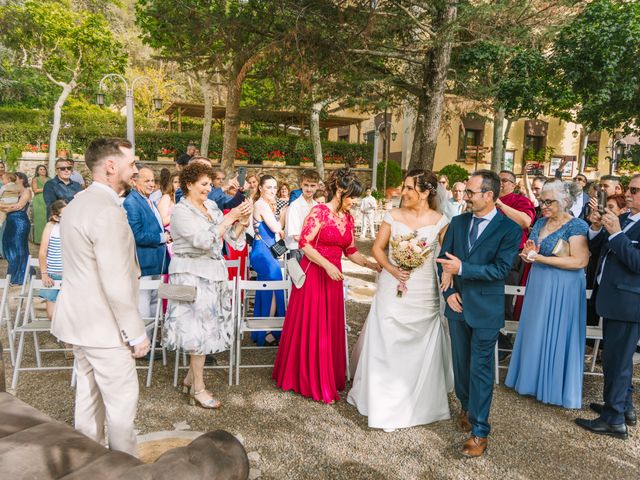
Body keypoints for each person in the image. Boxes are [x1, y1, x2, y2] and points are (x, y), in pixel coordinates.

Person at [51, 137, 150, 456]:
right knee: (121, 410)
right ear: (111, 166)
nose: (134, 170)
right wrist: (135, 332)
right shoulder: (107, 210)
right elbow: (116, 280)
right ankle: (124, 470)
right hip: (105, 329)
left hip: (79, 323)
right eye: (131, 164)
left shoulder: (77, 203)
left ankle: (87, 464)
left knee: (88, 403)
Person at [348, 169, 453, 432]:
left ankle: (418, 401)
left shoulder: (441, 221)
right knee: (387, 334)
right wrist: (392, 269)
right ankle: (382, 401)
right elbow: (376, 248)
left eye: (408, 188)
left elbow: (447, 254)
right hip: (391, 284)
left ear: (426, 192)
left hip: (423, 288)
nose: (402, 192)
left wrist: (449, 275)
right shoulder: (392, 215)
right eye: (403, 187)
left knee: (422, 338)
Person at [273, 168, 380, 404]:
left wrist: (372, 265)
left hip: (333, 278)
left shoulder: (348, 218)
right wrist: (327, 266)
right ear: (340, 191)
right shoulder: (319, 212)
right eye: (351, 196)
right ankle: (309, 379)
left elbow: (350, 251)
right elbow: (305, 243)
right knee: (313, 326)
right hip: (314, 275)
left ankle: (328, 376)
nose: (354, 201)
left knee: (329, 327)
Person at [436, 170, 521, 457]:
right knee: (461, 364)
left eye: (471, 192)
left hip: (486, 309)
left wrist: (463, 269)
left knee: (482, 369)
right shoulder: (458, 223)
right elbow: (442, 262)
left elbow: (500, 270)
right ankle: (467, 405)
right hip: (457, 306)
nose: (466, 197)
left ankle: (480, 431)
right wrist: (449, 293)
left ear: (489, 195)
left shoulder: (509, 230)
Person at [163, 162, 251, 409]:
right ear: (189, 184)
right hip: (190, 276)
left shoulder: (211, 206)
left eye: (210, 185)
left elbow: (229, 237)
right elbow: (203, 240)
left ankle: (190, 379)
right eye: (203, 184)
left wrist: (242, 220)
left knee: (206, 329)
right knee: (197, 333)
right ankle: (198, 388)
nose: (208, 189)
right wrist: (230, 217)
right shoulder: (181, 212)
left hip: (212, 275)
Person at [505, 181, 589, 408]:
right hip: (539, 282)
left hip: (565, 286)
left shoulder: (577, 225)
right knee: (536, 328)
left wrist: (539, 259)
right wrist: (527, 253)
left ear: (565, 201)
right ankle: (531, 381)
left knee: (558, 331)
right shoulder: (540, 222)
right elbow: (531, 250)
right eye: (541, 200)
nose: (543, 205)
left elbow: (580, 260)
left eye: (548, 201)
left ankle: (552, 387)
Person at [575, 174, 640, 439]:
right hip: (611, 299)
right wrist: (595, 227)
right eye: (629, 189)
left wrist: (615, 233)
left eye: (635, 190)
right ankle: (620, 407)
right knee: (614, 360)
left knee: (619, 362)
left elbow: (636, 263)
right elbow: (597, 246)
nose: (628, 194)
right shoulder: (625, 219)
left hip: (629, 302)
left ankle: (614, 420)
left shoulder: (623, 225)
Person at [123, 166, 170, 321]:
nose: (152, 184)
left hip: (157, 260)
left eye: (153, 180)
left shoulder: (150, 201)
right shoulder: (131, 202)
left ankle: (152, 337)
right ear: (135, 182)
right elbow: (137, 235)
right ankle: (144, 339)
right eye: (147, 181)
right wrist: (163, 237)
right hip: (144, 262)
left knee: (156, 300)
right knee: (143, 301)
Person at [250, 175, 286, 346]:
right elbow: (275, 227)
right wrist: (285, 215)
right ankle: (268, 332)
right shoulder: (261, 204)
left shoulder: (264, 205)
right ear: (260, 188)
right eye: (269, 187)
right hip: (263, 253)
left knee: (267, 290)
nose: (272, 191)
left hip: (266, 251)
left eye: (274, 187)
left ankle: (262, 331)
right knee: (273, 289)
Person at [1, 172, 32, 285]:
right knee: (8, 248)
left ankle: (19, 277)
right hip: (10, 222)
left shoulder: (27, 191)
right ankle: (13, 274)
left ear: (22, 179)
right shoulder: (9, 190)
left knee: (19, 248)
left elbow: (19, 205)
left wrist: (5, 208)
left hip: (20, 222)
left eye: (16, 177)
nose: (13, 179)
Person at [38, 200, 66, 320]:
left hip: (70, 275)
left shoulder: (75, 227)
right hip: (53, 275)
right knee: (51, 315)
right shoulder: (51, 227)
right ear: (56, 217)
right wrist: (44, 274)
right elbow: (42, 252)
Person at [284, 169, 320, 261]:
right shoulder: (294, 206)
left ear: (317, 186)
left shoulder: (317, 206)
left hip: (313, 250)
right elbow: (296, 236)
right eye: (306, 185)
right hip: (297, 250)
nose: (309, 189)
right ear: (301, 185)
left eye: (312, 186)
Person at [31, 164, 49, 243]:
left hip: (48, 199)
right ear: (37, 171)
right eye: (41, 169)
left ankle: (48, 240)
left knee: (47, 219)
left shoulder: (50, 179)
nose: (43, 171)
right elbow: (35, 190)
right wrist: (46, 188)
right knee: (39, 220)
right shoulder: (35, 179)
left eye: (44, 169)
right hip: (38, 200)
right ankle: (39, 240)